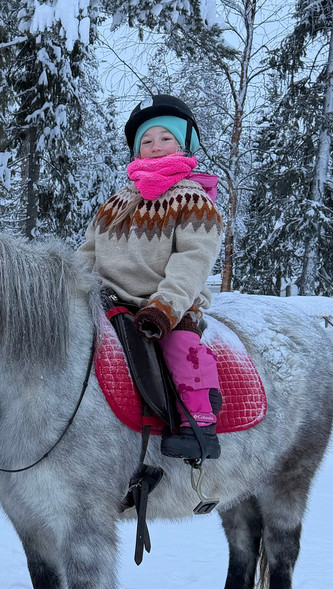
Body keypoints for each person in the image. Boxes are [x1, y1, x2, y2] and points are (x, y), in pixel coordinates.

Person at [79, 94, 224, 460]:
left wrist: (166, 306)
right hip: (108, 298)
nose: (156, 146)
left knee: (182, 351)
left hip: (163, 304)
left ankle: (199, 421)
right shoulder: (116, 202)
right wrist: (68, 284)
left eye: (166, 138)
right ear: (136, 151)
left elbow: (193, 260)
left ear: (185, 143)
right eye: (147, 140)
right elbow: (88, 252)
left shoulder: (193, 200)